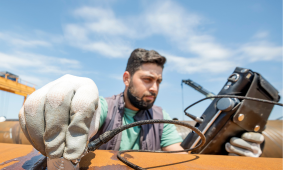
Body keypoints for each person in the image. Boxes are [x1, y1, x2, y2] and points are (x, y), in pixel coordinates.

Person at [19, 48, 264, 161]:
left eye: (158, 81)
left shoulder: (161, 116)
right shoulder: (106, 107)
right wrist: (72, 107)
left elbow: (181, 158)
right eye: (147, 79)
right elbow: (91, 118)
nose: (154, 88)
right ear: (127, 79)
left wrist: (226, 156)